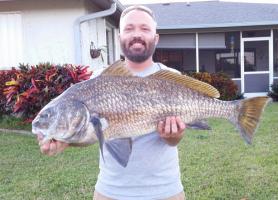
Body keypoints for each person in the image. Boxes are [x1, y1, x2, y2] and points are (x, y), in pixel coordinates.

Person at [37, 5, 186, 200]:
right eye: (129, 28)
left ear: (155, 38)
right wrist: (64, 140)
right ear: (119, 37)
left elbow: (174, 141)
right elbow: (95, 133)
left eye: (145, 28)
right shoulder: (98, 80)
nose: (137, 34)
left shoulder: (171, 79)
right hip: (110, 192)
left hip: (165, 191)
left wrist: (173, 136)